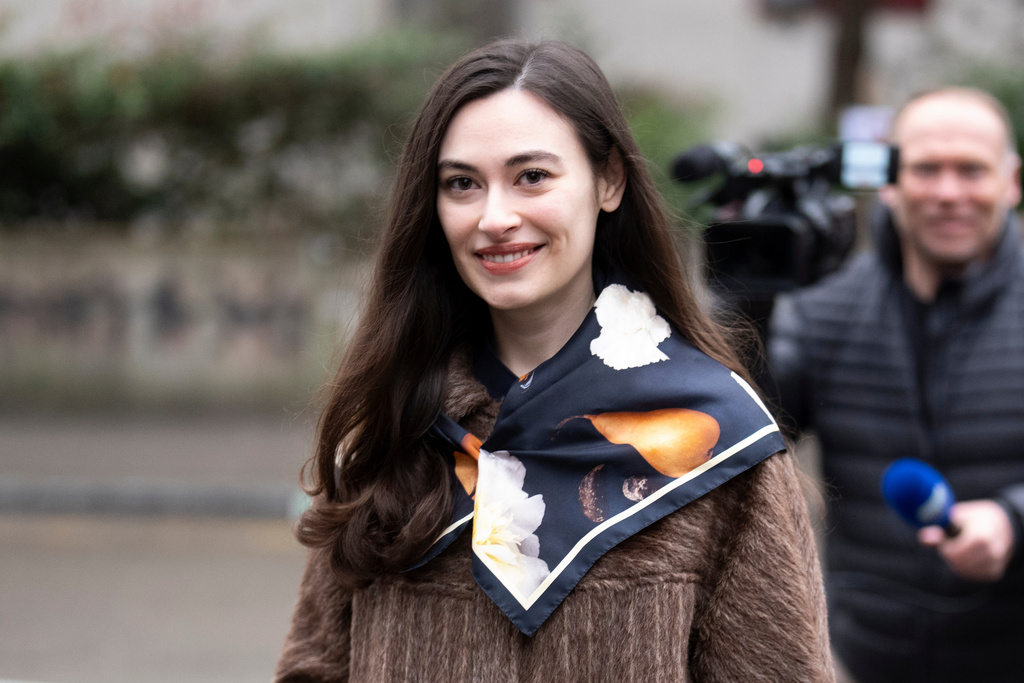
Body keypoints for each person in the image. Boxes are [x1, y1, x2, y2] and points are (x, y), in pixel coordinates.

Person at [275, 38, 833, 682]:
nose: (494, 217)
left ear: (609, 180)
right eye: (462, 184)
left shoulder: (719, 442)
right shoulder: (398, 422)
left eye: (531, 176)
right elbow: (315, 670)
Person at [768, 86, 1024, 682]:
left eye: (972, 170)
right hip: (862, 659)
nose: (948, 192)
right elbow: (744, 435)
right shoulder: (824, 308)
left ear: (1012, 182)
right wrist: (751, 307)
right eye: (926, 169)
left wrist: (1014, 520)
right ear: (888, 179)